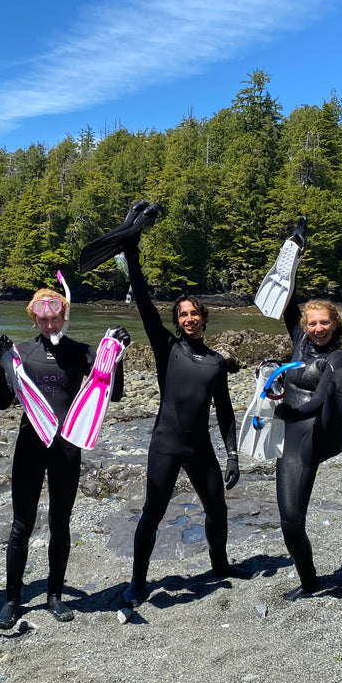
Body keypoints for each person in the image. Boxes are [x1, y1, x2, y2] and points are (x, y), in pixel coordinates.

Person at [0, 287, 130, 629]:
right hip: (30, 444)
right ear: (35, 318)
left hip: (67, 447)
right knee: (21, 525)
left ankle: (54, 595)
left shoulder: (82, 352)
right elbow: (2, 401)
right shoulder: (20, 352)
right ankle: (12, 600)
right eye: (44, 319)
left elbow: (114, 394)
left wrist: (118, 358)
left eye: (56, 318)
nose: (50, 324)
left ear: (64, 316)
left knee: (60, 523)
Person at [121, 239, 244, 608]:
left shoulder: (216, 362)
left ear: (204, 318)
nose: (189, 319)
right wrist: (132, 257)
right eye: (183, 315)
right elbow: (144, 304)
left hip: (199, 446)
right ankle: (138, 582)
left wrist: (233, 455)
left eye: (194, 314)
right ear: (177, 320)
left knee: (218, 509)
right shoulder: (167, 348)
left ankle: (219, 565)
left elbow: (223, 411)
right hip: (166, 443)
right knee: (152, 513)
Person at [274, 298, 342, 600]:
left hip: (326, 429)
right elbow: (287, 295)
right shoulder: (298, 338)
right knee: (290, 523)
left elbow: (318, 399)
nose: (319, 329)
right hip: (295, 439)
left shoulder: (338, 356)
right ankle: (309, 582)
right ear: (304, 326)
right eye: (313, 323)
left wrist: (294, 413)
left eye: (325, 323)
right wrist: (292, 250)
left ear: (335, 324)